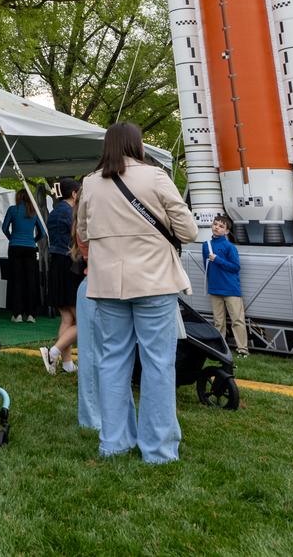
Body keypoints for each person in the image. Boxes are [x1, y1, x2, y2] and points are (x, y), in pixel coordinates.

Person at [75, 121, 197, 464]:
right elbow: (188, 230)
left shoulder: (90, 183)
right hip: (155, 280)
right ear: (137, 145)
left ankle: (114, 442)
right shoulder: (155, 177)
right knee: (158, 364)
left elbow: (83, 231)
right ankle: (158, 450)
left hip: (108, 283)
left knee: (113, 361)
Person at [41, 177, 81, 375]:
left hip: (55, 265)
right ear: (74, 193)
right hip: (69, 266)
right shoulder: (73, 213)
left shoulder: (54, 212)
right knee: (82, 320)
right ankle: (53, 352)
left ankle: (67, 364)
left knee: (66, 318)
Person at [203, 214, 248, 357]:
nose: (217, 227)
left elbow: (235, 267)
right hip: (214, 288)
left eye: (221, 226)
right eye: (215, 224)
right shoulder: (206, 245)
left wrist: (217, 260)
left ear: (227, 231)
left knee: (237, 320)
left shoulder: (230, 247)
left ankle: (242, 350)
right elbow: (207, 267)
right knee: (218, 322)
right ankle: (221, 350)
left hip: (231, 289)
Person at [2, 188, 44, 322]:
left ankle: (17, 314)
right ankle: (31, 314)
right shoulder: (34, 212)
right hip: (30, 248)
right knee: (31, 281)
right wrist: (33, 241)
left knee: (16, 280)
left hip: (15, 247)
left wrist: (12, 238)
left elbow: (4, 228)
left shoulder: (12, 210)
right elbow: (42, 232)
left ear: (18, 197)